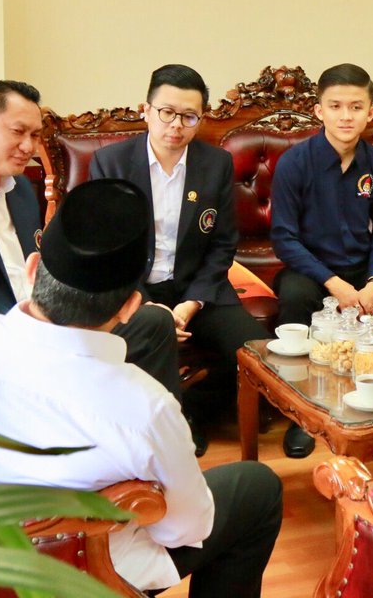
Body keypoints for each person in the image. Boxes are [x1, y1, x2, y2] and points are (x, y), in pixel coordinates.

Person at [0, 179, 282, 597]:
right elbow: (186, 529)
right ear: (130, 307)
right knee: (256, 489)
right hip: (85, 576)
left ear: (32, 270)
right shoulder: (145, 407)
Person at [0, 79, 178, 392]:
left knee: (152, 323)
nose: (29, 147)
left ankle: (147, 430)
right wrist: (52, 337)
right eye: (18, 132)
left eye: (35, 135)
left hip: (43, 327)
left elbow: (51, 273)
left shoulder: (21, 192)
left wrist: (82, 320)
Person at [90, 64, 269, 456]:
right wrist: (147, 305)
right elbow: (107, 248)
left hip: (195, 288)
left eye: (189, 116)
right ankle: (166, 424)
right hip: (133, 290)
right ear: (147, 110)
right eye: (167, 112)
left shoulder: (214, 164)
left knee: (256, 351)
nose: (176, 125)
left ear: (200, 118)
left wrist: (190, 303)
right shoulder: (111, 164)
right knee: (137, 343)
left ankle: (194, 412)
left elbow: (222, 244)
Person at [270, 62, 373, 457]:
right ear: (319, 111)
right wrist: (334, 284)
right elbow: (284, 238)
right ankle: (298, 416)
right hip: (309, 270)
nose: (345, 116)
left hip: (363, 270)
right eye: (335, 106)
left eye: (355, 107)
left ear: (371, 112)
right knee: (297, 298)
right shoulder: (294, 163)